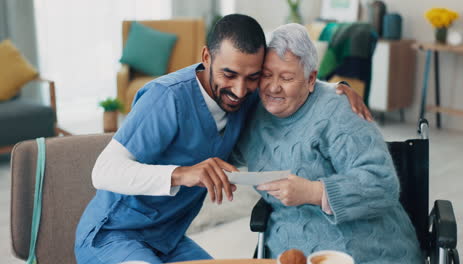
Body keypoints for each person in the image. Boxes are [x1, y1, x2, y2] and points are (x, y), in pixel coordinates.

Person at [74, 15, 369, 264]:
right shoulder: (166, 99)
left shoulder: (245, 96)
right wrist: (183, 174)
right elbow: (103, 171)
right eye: (229, 74)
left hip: (169, 240)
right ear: (206, 57)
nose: (240, 90)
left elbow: (288, 86)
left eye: (253, 77)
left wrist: (335, 89)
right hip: (113, 236)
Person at [233, 23, 423, 263]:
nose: (273, 87)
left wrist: (314, 191)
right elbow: (222, 147)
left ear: (311, 78)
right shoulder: (253, 112)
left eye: (287, 77)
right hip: (294, 250)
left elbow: (382, 183)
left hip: (368, 250)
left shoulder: (338, 110)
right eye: (267, 75)